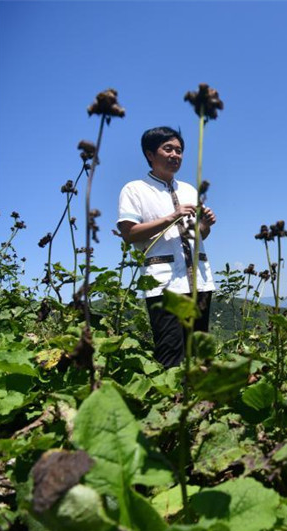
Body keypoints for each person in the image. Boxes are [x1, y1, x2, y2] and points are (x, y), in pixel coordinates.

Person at [117, 126, 216, 368]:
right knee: (171, 354)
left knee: (199, 353)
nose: (176, 155)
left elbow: (200, 235)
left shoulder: (189, 190)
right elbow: (129, 233)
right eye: (168, 149)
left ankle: (201, 404)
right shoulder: (134, 189)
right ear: (150, 154)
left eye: (180, 151)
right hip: (164, 284)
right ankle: (171, 402)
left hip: (200, 280)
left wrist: (205, 224)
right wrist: (171, 216)